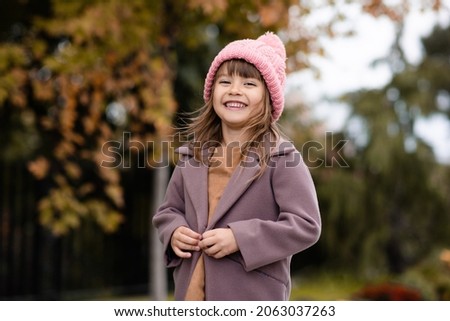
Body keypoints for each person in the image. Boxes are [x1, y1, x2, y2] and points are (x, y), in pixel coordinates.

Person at [152, 32, 321, 301]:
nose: (234, 90)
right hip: (191, 296)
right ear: (212, 92)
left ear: (268, 97)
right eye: (225, 81)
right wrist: (173, 231)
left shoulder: (282, 158)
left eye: (249, 83)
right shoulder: (192, 157)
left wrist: (240, 239)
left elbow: (305, 225)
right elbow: (169, 210)